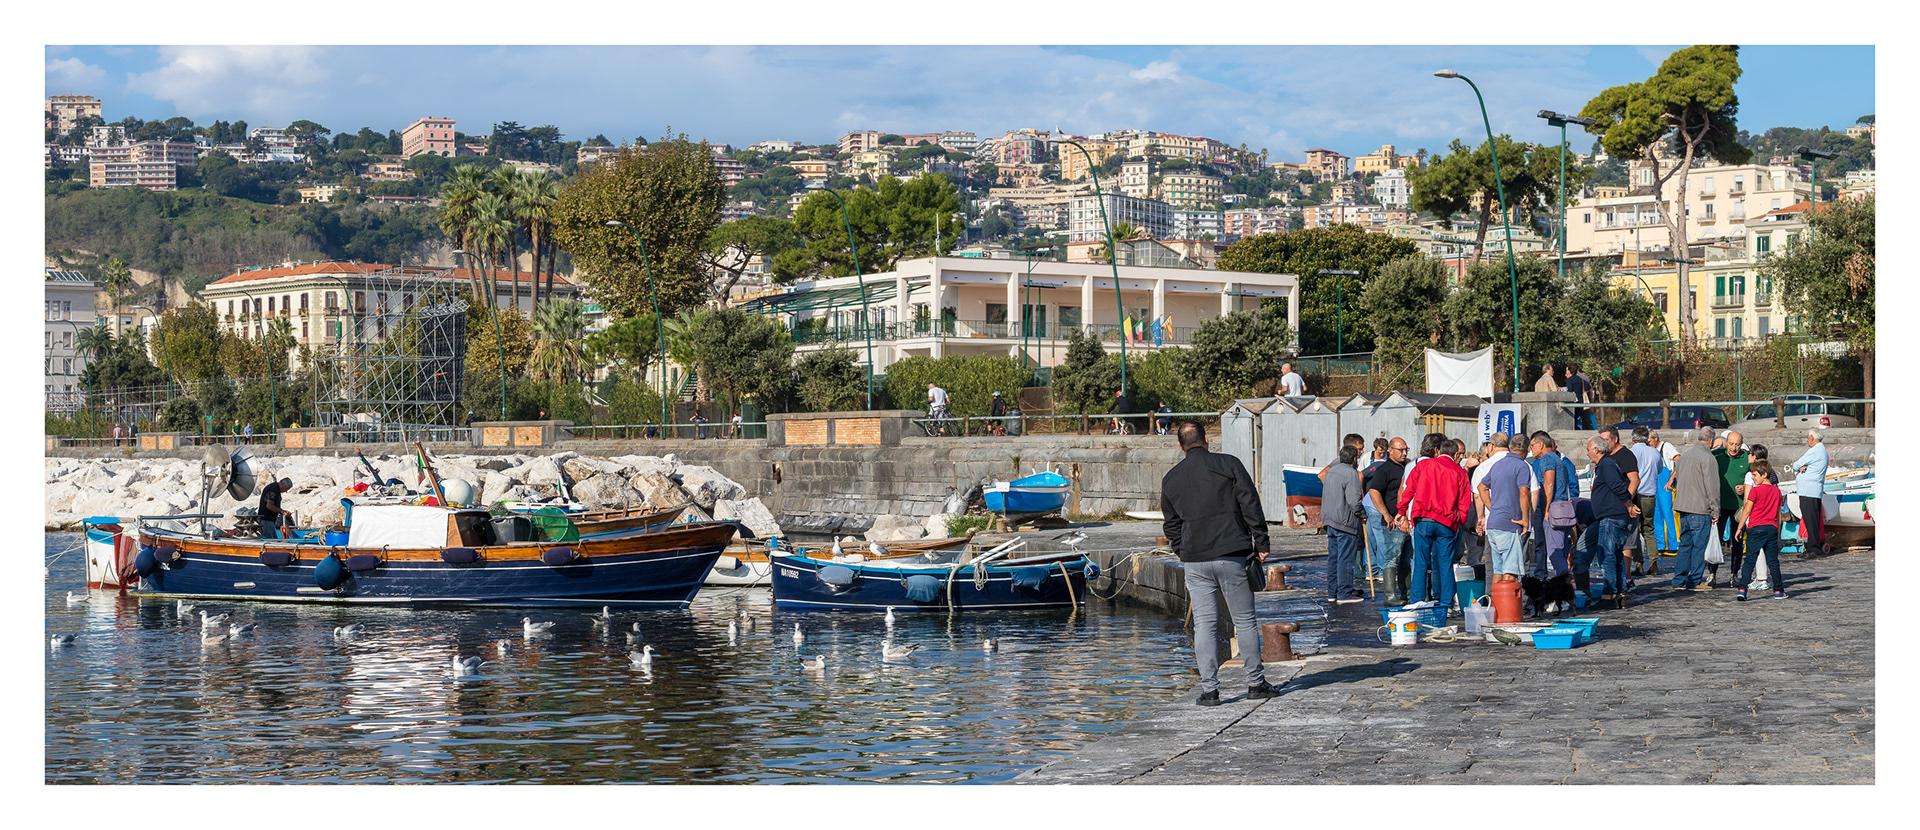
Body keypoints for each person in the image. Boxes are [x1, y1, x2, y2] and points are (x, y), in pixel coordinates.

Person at [1160, 420, 1281, 706]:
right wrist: (1261, 543)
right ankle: (1255, 683)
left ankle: (1210, 690)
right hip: (1231, 553)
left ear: (1180, 446)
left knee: (1204, 625)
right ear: (1206, 439)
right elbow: (1250, 503)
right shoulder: (1228, 465)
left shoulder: (1171, 478)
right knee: (1245, 621)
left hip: (1195, 559)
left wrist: (1182, 550)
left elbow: (1171, 524)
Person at [1397, 433, 1472, 607]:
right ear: (1454, 455)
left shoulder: (1424, 465)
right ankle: (1445, 603)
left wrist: (1401, 510)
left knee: (1421, 561)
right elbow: (1464, 502)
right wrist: (1459, 520)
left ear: (1438, 451)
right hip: (1447, 522)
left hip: (1423, 519)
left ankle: (1416, 601)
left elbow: (1408, 490)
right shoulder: (1459, 472)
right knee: (1445, 563)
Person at [1584, 436, 1639, 608]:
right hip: (1614, 516)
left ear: (1597, 449)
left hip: (1612, 517)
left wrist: (1628, 504)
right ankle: (1619, 592)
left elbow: (1618, 487)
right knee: (1615, 556)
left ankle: (1609, 595)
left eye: (1588, 450)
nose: (1587, 454)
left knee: (1607, 556)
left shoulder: (1606, 464)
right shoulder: (1606, 464)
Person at [1477, 433, 1534, 585]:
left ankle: (1496, 607)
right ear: (1528, 449)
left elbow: (1481, 487)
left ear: (1510, 447)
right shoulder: (1522, 466)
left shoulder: (1497, 464)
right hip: (1509, 525)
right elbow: (1524, 492)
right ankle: (1507, 609)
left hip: (1494, 524)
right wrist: (1526, 520)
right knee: (1510, 572)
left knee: (1498, 570)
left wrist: (1492, 508)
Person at [1669, 426, 1720, 591]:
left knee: (1685, 546)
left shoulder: (1685, 455)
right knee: (1699, 547)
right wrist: (1715, 510)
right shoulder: (1708, 458)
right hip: (1700, 508)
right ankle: (1694, 581)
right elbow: (1712, 487)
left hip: (1683, 507)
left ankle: (1678, 581)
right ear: (1711, 441)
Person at [1734, 458, 1789, 600]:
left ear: (1764, 474)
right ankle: (1778, 591)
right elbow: (1778, 513)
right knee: (1773, 561)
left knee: (1750, 561)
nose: (1753, 478)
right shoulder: (1777, 492)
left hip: (1755, 528)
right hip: (1771, 528)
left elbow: (1747, 511)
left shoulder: (1755, 491)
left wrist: (1739, 528)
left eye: (1754, 475)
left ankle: (1742, 590)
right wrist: (1778, 531)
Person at [1367, 437, 1411, 605]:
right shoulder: (1385, 469)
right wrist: (1385, 514)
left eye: (1406, 449)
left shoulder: (1407, 466)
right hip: (1393, 522)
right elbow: (1374, 491)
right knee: (1391, 558)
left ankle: (1405, 593)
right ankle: (1390, 596)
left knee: (1406, 559)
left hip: (1406, 521)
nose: (1404, 453)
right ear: (1390, 451)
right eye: (1401, 450)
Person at [1322, 444, 1366, 604]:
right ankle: (1344, 593)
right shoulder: (1351, 473)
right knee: (1345, 559)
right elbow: (1354, 501)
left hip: (1330, 520)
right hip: (1345, 522)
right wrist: (1362, 514)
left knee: (1333, 558)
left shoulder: (1331, 471)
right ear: (1354, 458)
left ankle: (1332, 592)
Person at [1711, 431, 1751, 583]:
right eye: (1731, 444)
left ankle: (1734, 574)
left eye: (1737, 445)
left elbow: (1756, 479)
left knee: (1737, 541)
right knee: (1716, 540)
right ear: (1726, 442)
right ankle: (1712, 574)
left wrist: (1745, 487)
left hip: (1739, 507)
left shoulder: (1747, 458)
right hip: (1719, 506)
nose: (1734, 448)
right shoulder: (1717, 455)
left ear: (1742, 444)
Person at [1785, 429, 1829, 559]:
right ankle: (1814, 546)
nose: (1806, 440)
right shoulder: (1822, 450)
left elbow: (1797, 464)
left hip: (1808, 490)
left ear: (1811, 437)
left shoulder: (1815, 451)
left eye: (1807, 437)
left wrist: (1800, 467)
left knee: (1810, 520)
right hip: (1813, 490)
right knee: (1813, 520)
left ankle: (1813, 548)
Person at [1629, 426, 1664, 577]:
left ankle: (1638, 564)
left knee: (1635, 530)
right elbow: (1660, 470)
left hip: (1636, 495)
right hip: (1650, 496)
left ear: (1633, 438)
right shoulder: (1655, 452)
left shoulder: (1631, 452)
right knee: (1649, 529)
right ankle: (1654, 563)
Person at [1564, 363, 1592, 429]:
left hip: (1574, 402)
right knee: (1583, 419)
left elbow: (1569, 391)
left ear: (1569, 370)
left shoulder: (1570, 380)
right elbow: (1587, 387)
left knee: (1573, 421)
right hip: (1581, 401)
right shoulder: (1580, 379)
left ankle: (1577, 430)